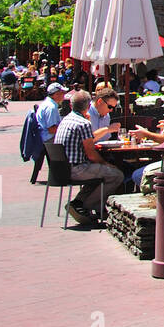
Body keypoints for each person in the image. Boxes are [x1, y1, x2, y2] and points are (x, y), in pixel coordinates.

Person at [56, 90, 124, 225]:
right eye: (110, 107)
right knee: (117, 175)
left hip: (62, 169)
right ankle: (87, 206)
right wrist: (105, 164)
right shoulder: (83, 123)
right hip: (77, 169)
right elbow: (91, 153)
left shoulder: (66, 120)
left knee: (100, 176)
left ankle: (78, 203)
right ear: (88, 106)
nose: (111, 110)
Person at [30, 82, 67, 184]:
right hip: (47, 138)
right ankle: (64, 174)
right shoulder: (51, 107)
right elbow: (51, 129)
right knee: (71, 143)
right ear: (56, 94)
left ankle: (59, 174)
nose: (64, 95)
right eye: (62, 93)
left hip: (43, 136)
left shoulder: (47, 104)